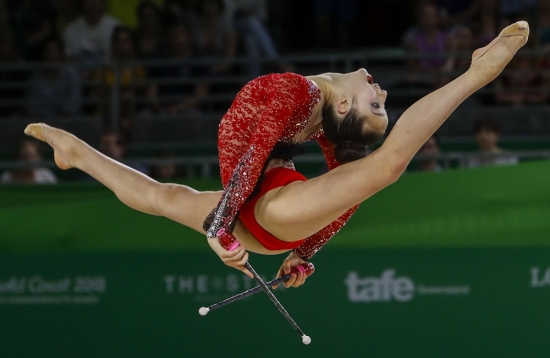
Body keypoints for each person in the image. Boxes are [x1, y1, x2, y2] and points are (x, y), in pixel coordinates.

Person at [24, 21, 529, 288]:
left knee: (385, 167)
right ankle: (76, 152)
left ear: (348, 105)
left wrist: (302, 252)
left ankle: (476, 75)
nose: (385, 95)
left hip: (263, 209)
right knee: (163, 195)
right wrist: (225, 228)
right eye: (382, 105)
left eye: (377, 104)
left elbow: (341, 195)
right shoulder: (305, 101)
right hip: (254, 208)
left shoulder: (312, 109)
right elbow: (255, 162)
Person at [26, 37, 82, 118]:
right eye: (47, 51)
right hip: (42, 126)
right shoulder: (35, 79)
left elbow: (73, 106)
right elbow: (33, 110)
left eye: (54, 51)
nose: (50, 56)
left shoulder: (71, 76)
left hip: (68, 124)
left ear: (61, 54)